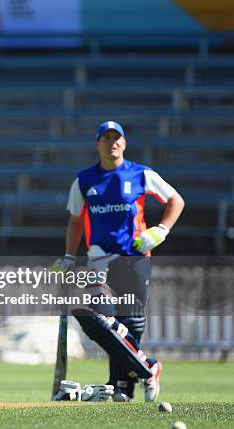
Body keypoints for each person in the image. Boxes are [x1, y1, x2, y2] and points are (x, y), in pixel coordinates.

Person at [52, 120, 185, 402]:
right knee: (94, 315)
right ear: (97, 143)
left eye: (117, 138)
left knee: (130, 322)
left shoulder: (140, 174)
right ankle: (148, 367)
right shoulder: (85, 180)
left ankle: (121, 385)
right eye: (106, 137)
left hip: (133, 258)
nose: (112, 142)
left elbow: (176, 200)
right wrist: (68, 257)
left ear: (124, 143)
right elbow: (75, 222)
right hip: (98, 261)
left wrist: (160, 230)